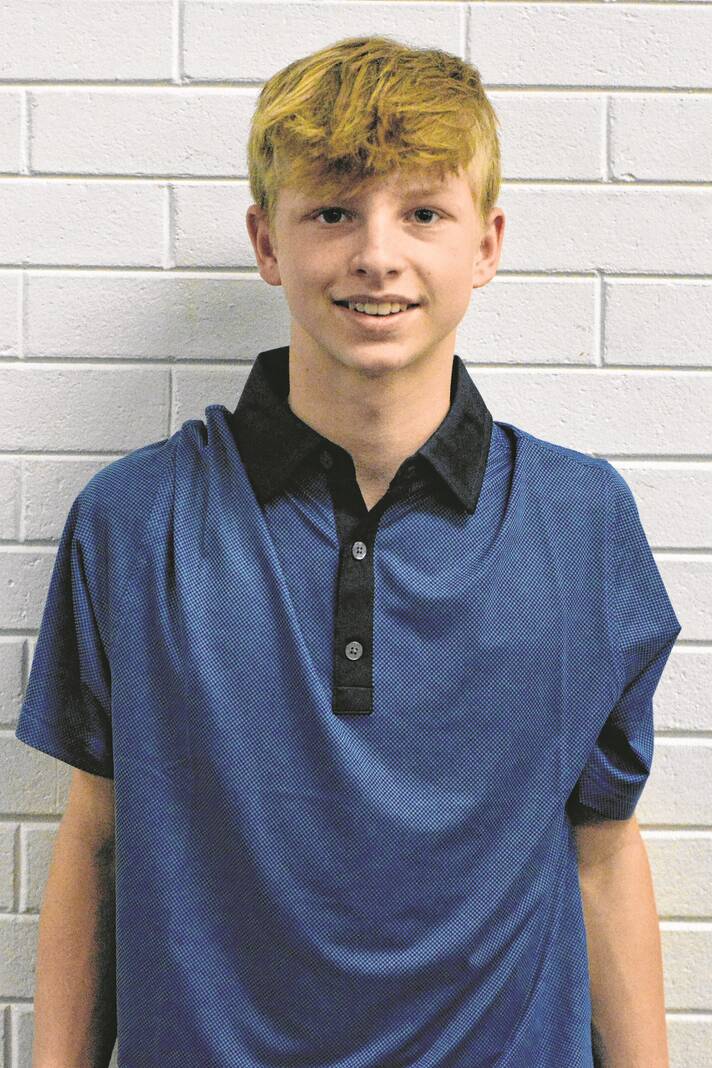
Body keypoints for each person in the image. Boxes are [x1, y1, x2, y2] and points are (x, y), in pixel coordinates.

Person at [16, 35, 681, 1068]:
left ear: (487, 244)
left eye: (423, 213)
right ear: (267, 242)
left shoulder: (582, 523)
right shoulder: (135, 520)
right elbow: (97, 841)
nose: (377, 254)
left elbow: (602, 852)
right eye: (332, 212)